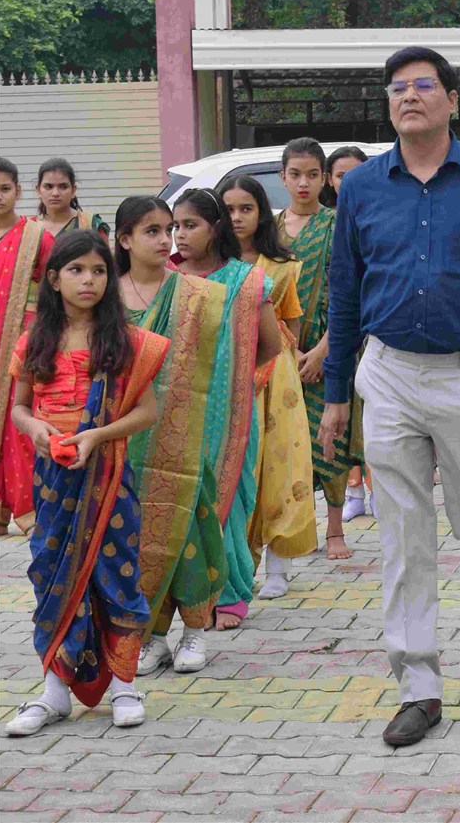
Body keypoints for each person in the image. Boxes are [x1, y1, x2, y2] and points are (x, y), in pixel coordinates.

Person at [319, 46, 460, 747]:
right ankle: (418, 684)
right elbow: (344, 293)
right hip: (387, 375)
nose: (409, 96)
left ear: (452, 99)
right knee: (403, 538)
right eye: (397, 87)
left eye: (423, 85)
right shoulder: (362, 188)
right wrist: (337, 393)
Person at [5, 230, 168, 736]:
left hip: (109, 476)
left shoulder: (125, 341)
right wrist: (36, 429)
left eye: (99, 271)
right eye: (76, 270)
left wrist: (97, 435)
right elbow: (19, 408)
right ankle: (54, 693)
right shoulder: (35, 341)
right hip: (53, 480)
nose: (88, 280)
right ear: (54, 280)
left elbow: (147, 412)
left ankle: (125, 687)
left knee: (116, 574)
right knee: (52, 575)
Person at [115, 197, 227, 676]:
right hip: (121, 438)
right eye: (153, 231)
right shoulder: (106, 295)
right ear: (124, 240)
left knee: (188, 532)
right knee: (134, 537)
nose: (168, 239)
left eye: (171, 229)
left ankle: (194, 632)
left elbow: (214, 374)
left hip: (180, 438)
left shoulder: (195, 295)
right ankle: (152, 636)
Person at [171, 188, 281, 630]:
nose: (179, 235)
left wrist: (229, 372)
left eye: (190, 225)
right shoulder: (165, 277)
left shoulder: (247, 280)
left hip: (230, 409)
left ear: (215, 228)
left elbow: (270, 345)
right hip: (174, 410)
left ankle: (231, 593)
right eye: (175, 226)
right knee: (180, 498)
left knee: (229, 497)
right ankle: (187, 597)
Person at [222, 175, 317, 599]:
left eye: (246, 209)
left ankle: (278, 566)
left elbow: (291, 323)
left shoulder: (281, 266)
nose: (237, 217)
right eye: (228, 209)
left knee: (279, 465)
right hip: (224, 372)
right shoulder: (210, 265)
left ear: (262, 214)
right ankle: (234, 566)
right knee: (234, 466)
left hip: (275, 376)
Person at [274, 139, 364, 561]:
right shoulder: (271, 230)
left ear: (325, 178)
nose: (303, 183)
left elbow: (352, 291)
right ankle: (298, 528)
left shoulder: (337, 224)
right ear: (283, 177)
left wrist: (325, 350)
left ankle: (335, 531)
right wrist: (289, 351)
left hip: (332, 345)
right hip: (281, 352)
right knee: (288, 444)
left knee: (331, 441)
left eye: (312, 174)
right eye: (295, 174)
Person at [0, 158, 55, 537]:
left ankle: (31, 509)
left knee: (17, 425)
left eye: (4, 188)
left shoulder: (36, 237)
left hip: (20, 345)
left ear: (18, 191)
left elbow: (56, 287)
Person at [322, 145, 374, 521]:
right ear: (330, 180)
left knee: (372, 416)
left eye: (356, 173)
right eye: (341, 175)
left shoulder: (381, 216)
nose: (349, 182)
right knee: (343, 413)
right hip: (335, 334)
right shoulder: (325, 223)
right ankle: (352, 491)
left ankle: (376, 488)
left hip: (374, 333)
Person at [33, 159, 110, 238]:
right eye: (48, 187)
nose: (55, 193)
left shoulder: (91, 225)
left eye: (63, 187)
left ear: (73, 190)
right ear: (38, 190)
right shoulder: (28, 229)